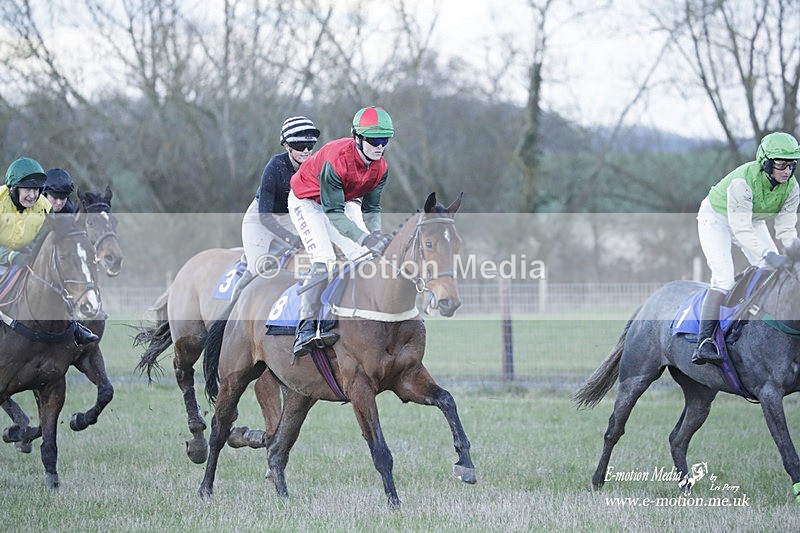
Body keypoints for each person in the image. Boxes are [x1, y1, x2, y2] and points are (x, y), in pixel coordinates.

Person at [288, 105, 395, 357]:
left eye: (385, 140)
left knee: (365, 257)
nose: (380, 146)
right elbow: (333, 214)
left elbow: (372, 206)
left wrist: (376, 232)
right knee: (325, 259)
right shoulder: (337, 160)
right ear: (357, 138)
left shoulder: (381, 168)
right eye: (374, 140)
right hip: (306, 201)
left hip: (340, 202)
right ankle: (305, 328)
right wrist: (364, 236)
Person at [692, 131, 800, 365]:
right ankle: (705, 342)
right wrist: (769, 254)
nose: (787, 171)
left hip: (752, 220)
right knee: (723, 278)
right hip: (716, 219)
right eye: (781, 164)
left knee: (772, 272)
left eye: (792, 165)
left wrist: (794, 254)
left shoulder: (792, 187)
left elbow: (786, 229)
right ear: (766, 162)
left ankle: (753, 321)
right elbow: (740, 229)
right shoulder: (743, 182)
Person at [0, 156, 98, 345]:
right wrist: (12, 256)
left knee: (55, 280)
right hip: (6, 257)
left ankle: (74, 325)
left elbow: (45, 240)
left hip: (22, 255)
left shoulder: (44, 207)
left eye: (36, 190)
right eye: (27, 189)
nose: (32, 195)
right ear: (13, 188)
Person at [236, 117, 320, 299]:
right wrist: (291, 238)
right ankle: (231, 309)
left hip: (291, 217)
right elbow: (265, 217)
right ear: (287, 146)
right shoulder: (275, 167)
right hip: (261, 218)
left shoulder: (316, 168)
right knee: (258, 268)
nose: (306, 151)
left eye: (310, 145)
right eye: (299, 146)